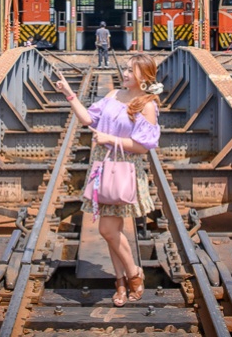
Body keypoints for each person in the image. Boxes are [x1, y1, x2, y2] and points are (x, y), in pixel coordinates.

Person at [53, 53, 161, 307]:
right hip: (103, 168)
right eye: (124, 68)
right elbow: (89, 119)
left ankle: (134, 274)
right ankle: (120, 282)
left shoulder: (147, 104)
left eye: (130, 71)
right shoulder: (113, 96)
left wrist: (109, 139)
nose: (124, 73)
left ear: (143, 77)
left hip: (124, 171)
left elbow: (144, 147)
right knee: (114, 232)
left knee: (107, 230)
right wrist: (70, 94)